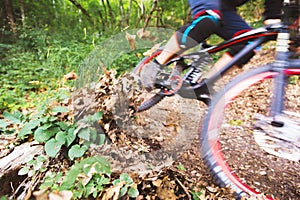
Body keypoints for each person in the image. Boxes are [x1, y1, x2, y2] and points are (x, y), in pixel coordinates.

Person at [140, 0, 283, 93]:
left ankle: (206, 84)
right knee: (208, 20)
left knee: (250, 43)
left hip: (225, 6)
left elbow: (273, 21)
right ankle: (156, 64)